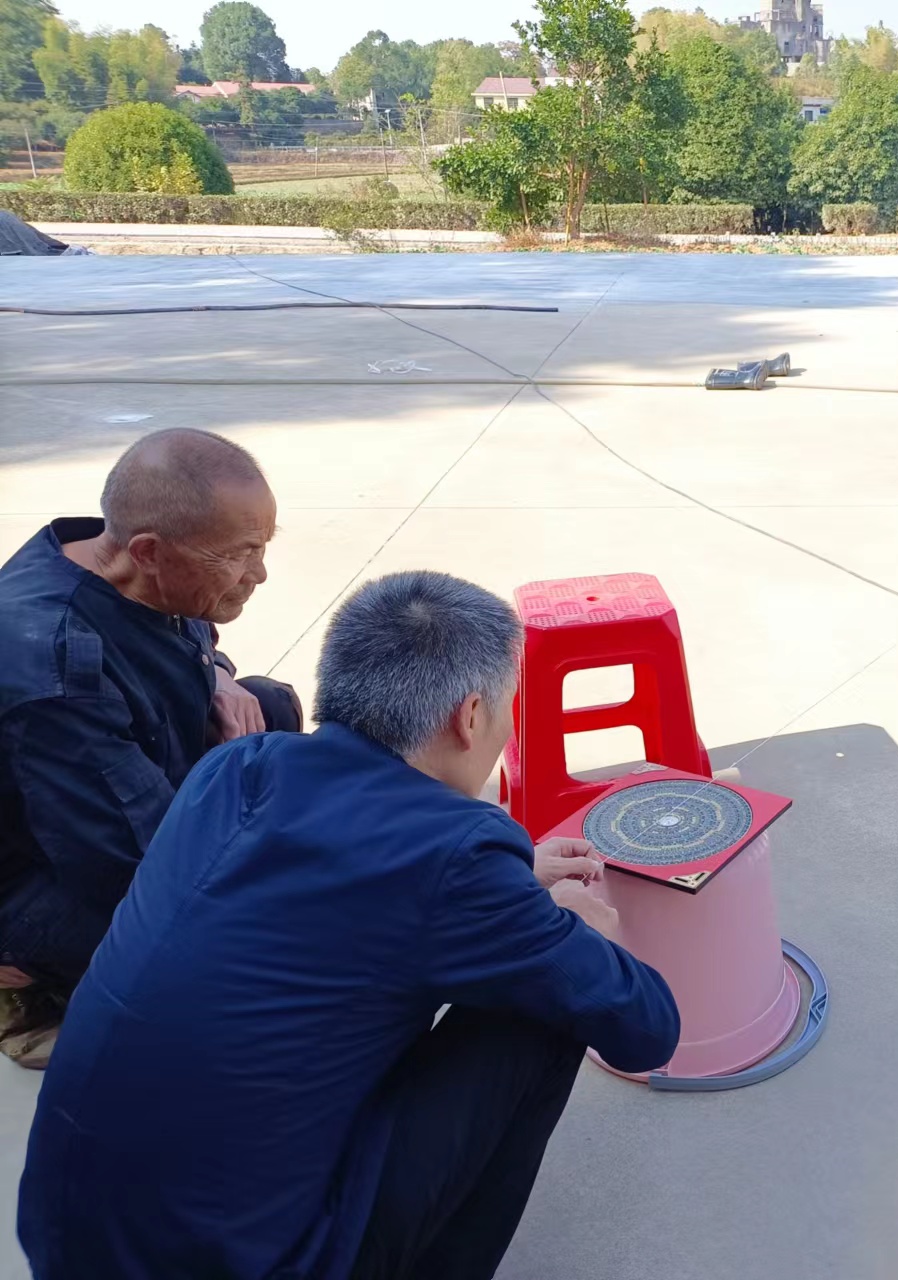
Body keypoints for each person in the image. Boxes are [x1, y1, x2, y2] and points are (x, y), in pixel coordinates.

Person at [19, 570, 681, 1280]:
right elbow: (644, 1029)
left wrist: (513, 886)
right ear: (469, 715)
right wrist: (585, 935)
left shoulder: (238, 766)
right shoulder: (456, 855)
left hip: (68, 1239)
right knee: (549, 1006)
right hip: (255, 1265)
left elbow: (354, 891)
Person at [0, 428, 298, 1069]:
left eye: (263, 547)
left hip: (98, 798)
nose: (260, 574)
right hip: (41, 875)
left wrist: (216, 675)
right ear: (149, 550)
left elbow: (191, 637)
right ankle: (39, 992)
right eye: (241, 554)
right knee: (250, 952)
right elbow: (134, 862)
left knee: (266, 705)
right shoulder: (56, 670)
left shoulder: (133, 568)